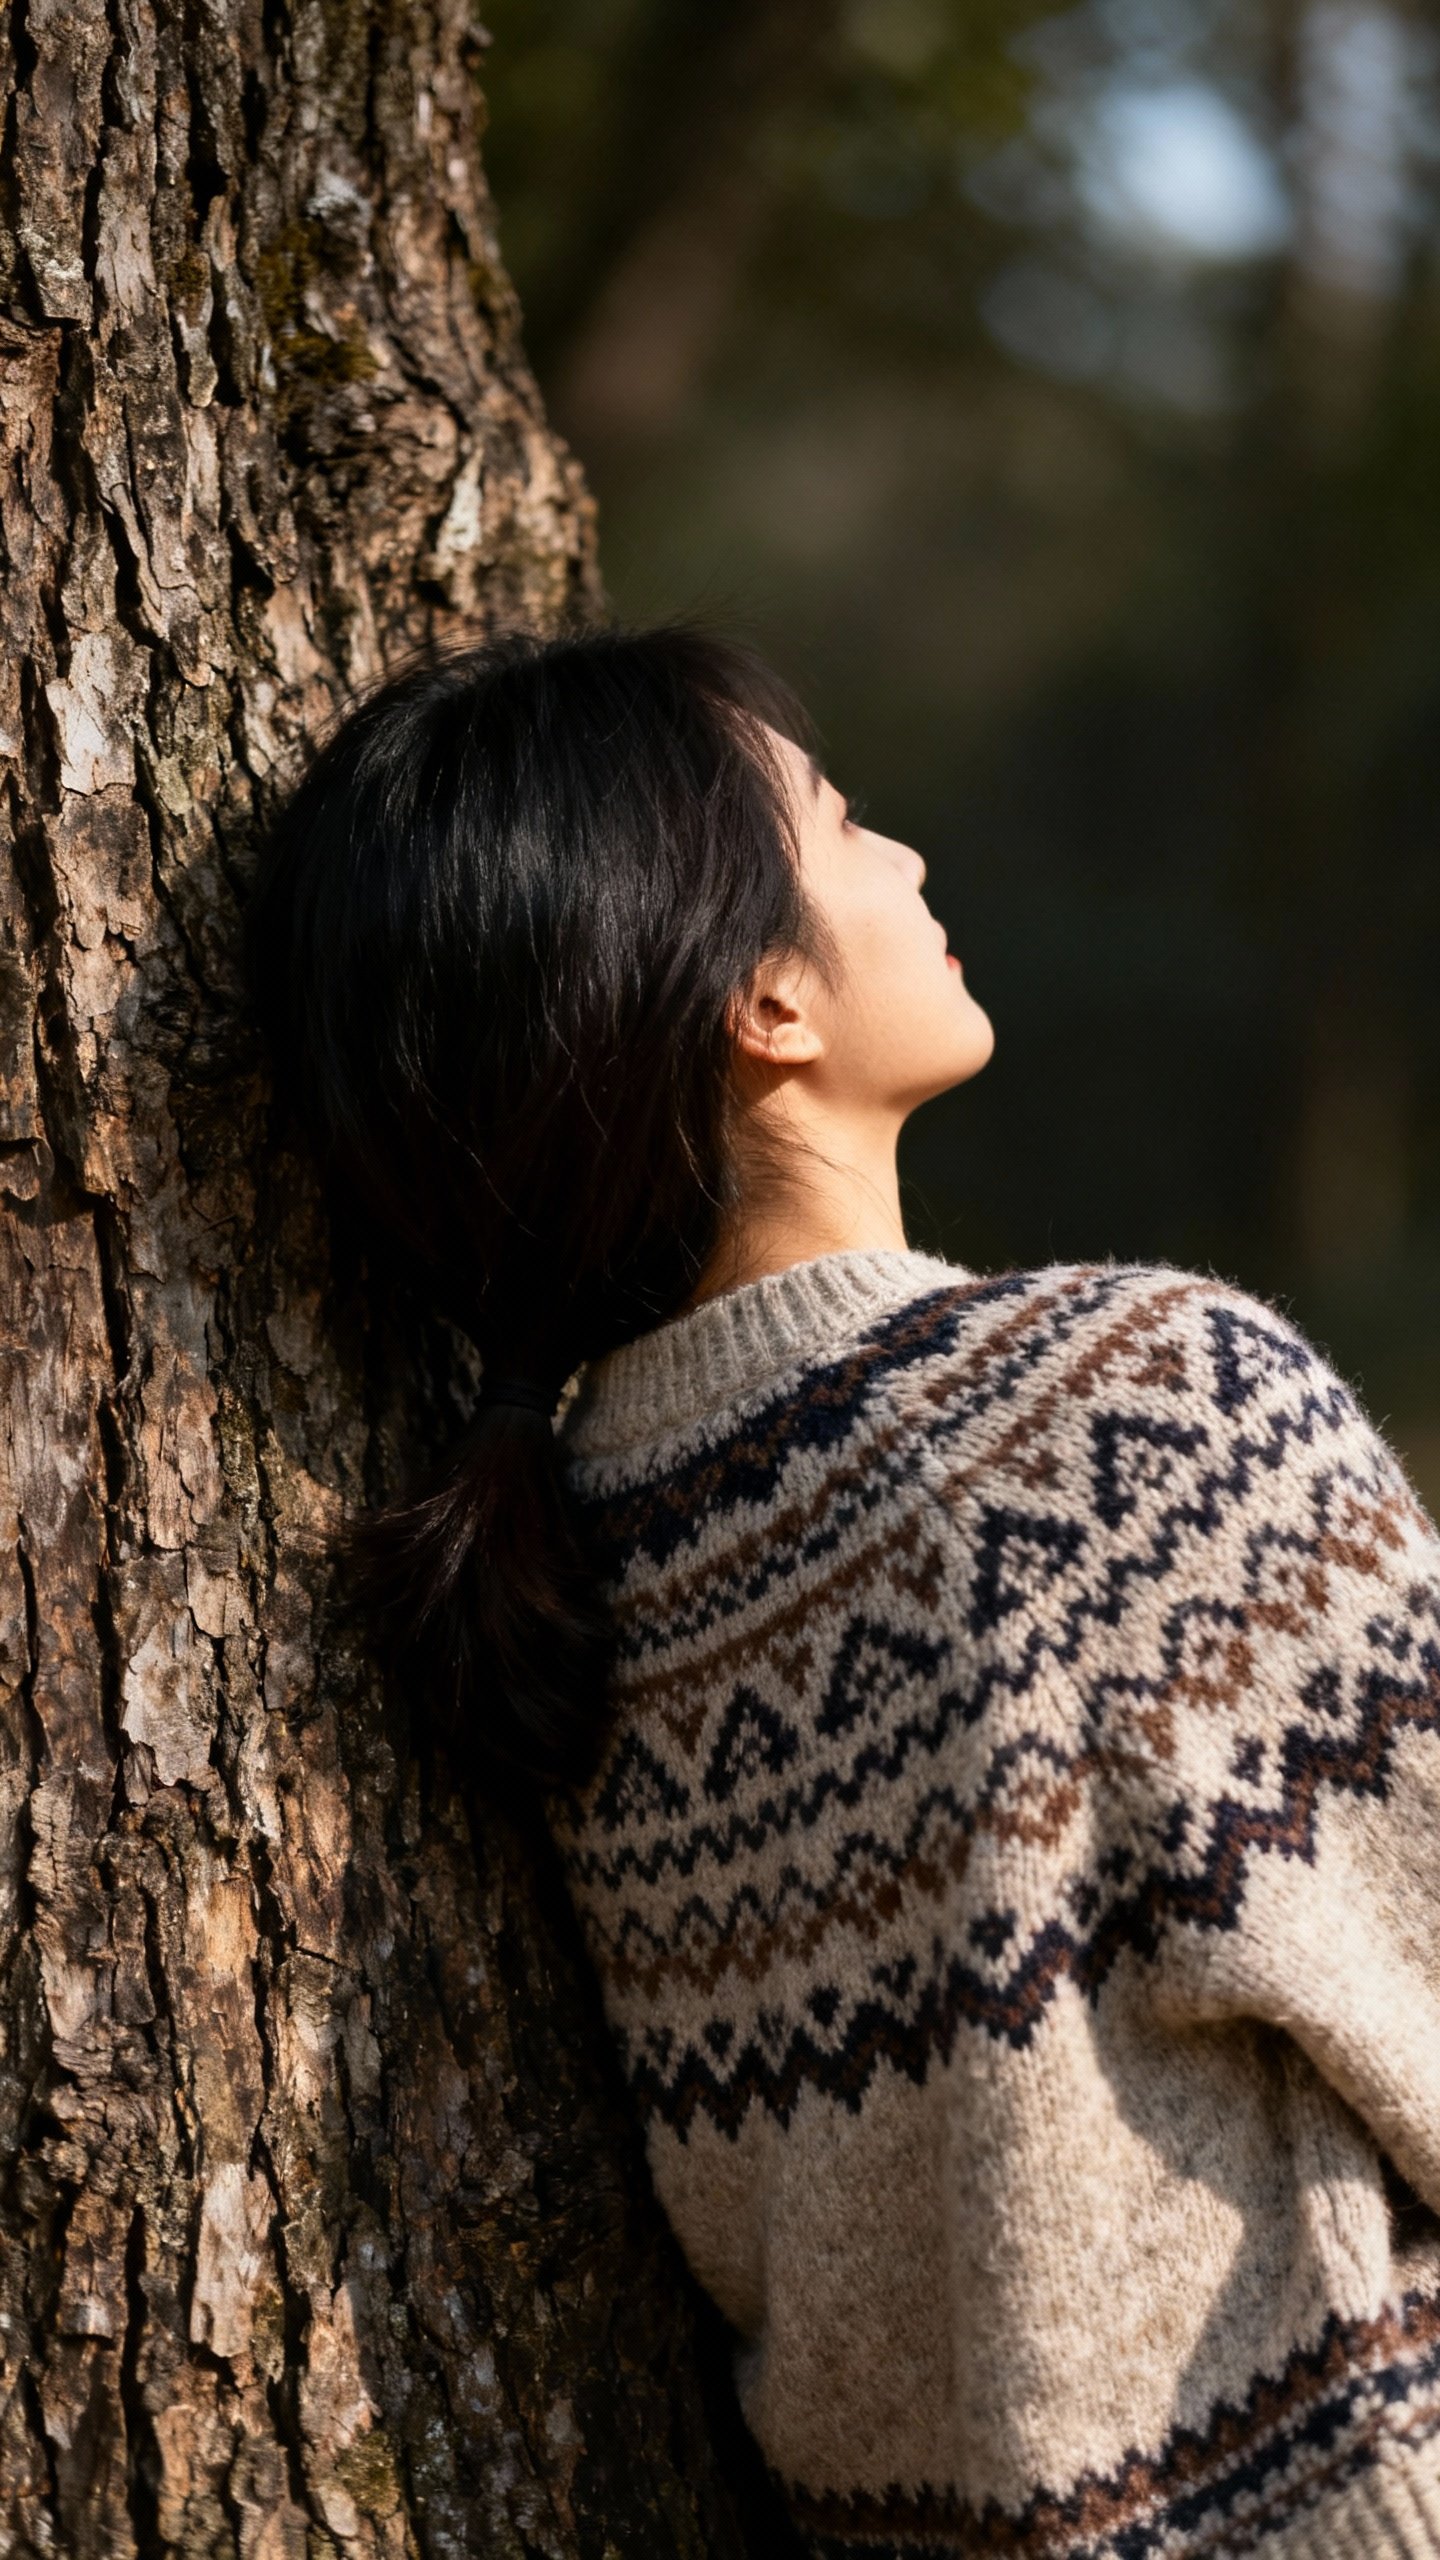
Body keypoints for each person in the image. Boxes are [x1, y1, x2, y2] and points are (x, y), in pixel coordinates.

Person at [252, 622, 1440, 2560]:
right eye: (845, 816)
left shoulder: (573, 1594)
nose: (902, 860)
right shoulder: (1130, 1417)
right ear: (766, 1001)